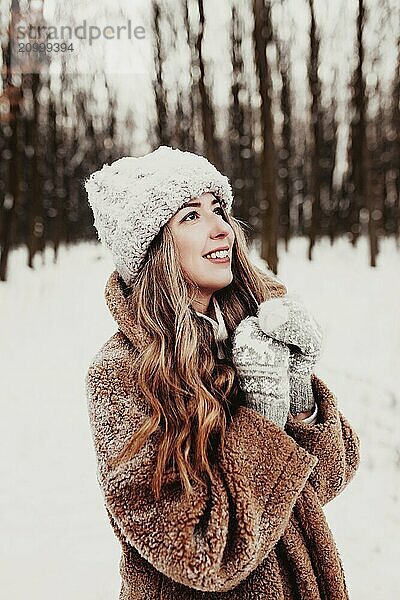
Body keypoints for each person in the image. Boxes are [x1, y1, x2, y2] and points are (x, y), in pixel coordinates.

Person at [84, 146, 360, 600]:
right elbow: (199, 554)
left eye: (219, 209)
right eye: (190, 216)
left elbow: (327, 479)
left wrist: (299, 392)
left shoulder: (253, 331)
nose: (221, 230)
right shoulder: (120, 375)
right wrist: (264, 419)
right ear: (152, 250)